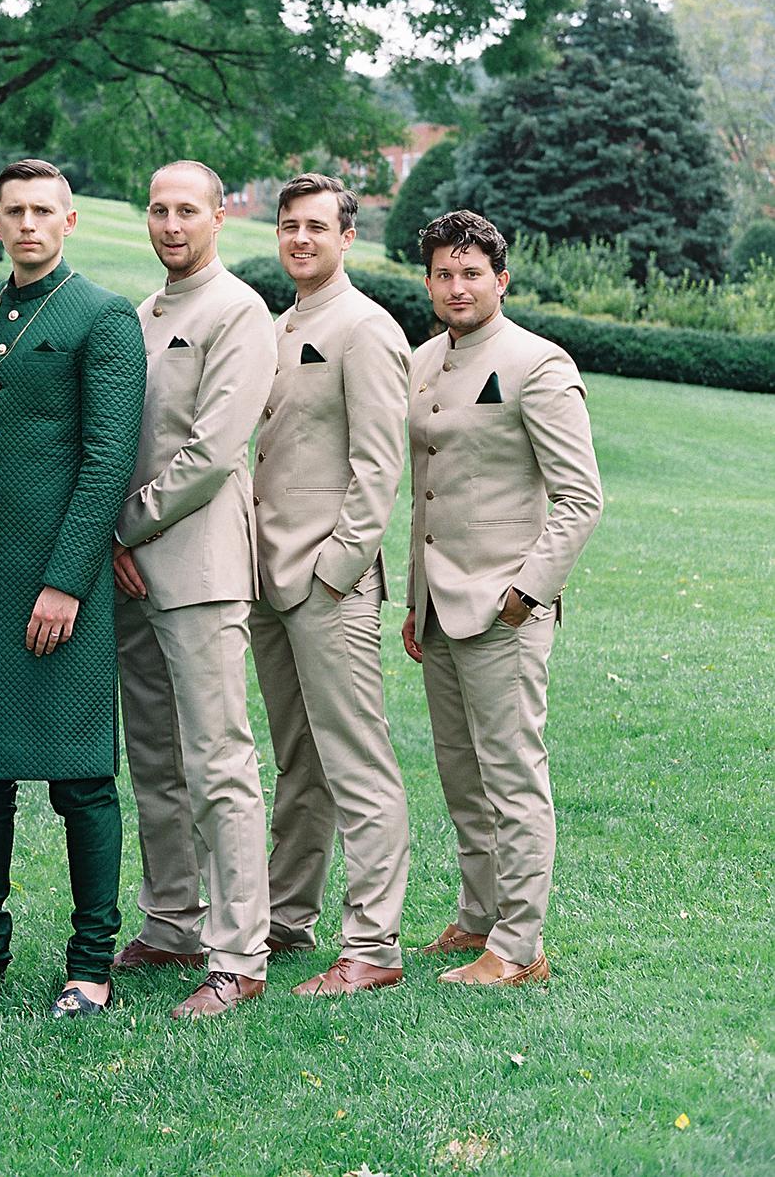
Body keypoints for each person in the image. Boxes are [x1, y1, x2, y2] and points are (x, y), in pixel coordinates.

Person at [0, 159, 147, 1018]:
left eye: (44, 211)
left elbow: (106, 460)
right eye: (14, 211)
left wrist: (65, 582)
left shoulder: (104, 317)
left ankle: (90, 965)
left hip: (57, 584)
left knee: (80, 778)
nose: (29, 224)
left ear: (69, 221)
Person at [403, 209, 604, 986]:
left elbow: (580, 497)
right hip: (436, 610)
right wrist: (413, 604)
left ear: (500, 280)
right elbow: (424, 494)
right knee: (461, 773)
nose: (457, 286)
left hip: (503, 610)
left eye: (471, 273)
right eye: (443, 274)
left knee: (512, 775)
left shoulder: (538, 363)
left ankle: (518, 949)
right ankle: (477, 917)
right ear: (428, 281)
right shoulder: (424, 362)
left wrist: (526, 593)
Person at [112, 161, 276, 1019]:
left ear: (219, 215)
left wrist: (122, 527)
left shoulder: (238, 311)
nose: (170, 223)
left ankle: (240, 954)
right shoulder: (142, 315)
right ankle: (171, 922)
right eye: (158, 209)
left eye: (187, 210)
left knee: (218, 759)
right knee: (153, 758)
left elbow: (211, 452)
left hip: (198, 568)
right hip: (131, 570)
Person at [247, 173, 412, 996]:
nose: (300, 239)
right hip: (264, 579)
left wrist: (334, 569)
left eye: (316, 227)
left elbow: (379, 466)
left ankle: (373, 946)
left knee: (356, 759)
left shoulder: (365, 328)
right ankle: (285, 917)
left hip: (328, 582)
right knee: (296, 759)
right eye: (289, 226)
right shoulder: (275, 325)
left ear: (346, 238)